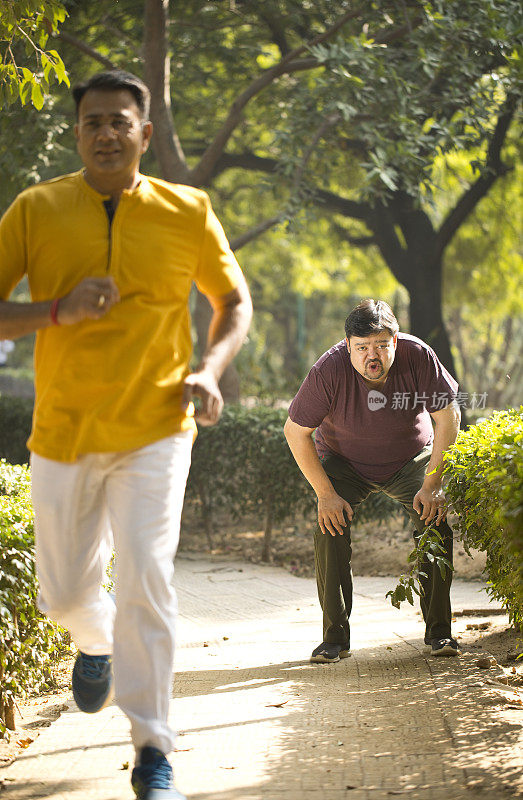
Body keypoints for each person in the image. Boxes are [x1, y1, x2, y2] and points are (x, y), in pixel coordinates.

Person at [0, 70, 252, 800]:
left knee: (147, 577)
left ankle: (153, 748)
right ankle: (94, 644)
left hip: (157, 428)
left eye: (119, 121)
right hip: (64, 433)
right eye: (92, 123)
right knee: (65, 595)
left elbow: (232, 299)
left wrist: (210, 368)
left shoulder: (187, 210)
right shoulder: (36, 209)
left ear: (145, 133)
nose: (106, 133)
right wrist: (55, 312)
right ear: (77, 135)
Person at [284, 299, 460, 664]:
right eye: (362, 347)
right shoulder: (328, 370)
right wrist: (325, 494)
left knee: (435, 519)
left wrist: (433, 483)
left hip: (409, 458)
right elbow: (295, 432)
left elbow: (448, 417)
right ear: (348, 345)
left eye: (381, 345)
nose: (372, 355)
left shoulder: (419, 356)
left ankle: (440, 632)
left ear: (395, 342)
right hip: (344, 461)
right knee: (329, 526)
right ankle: (334, 638)